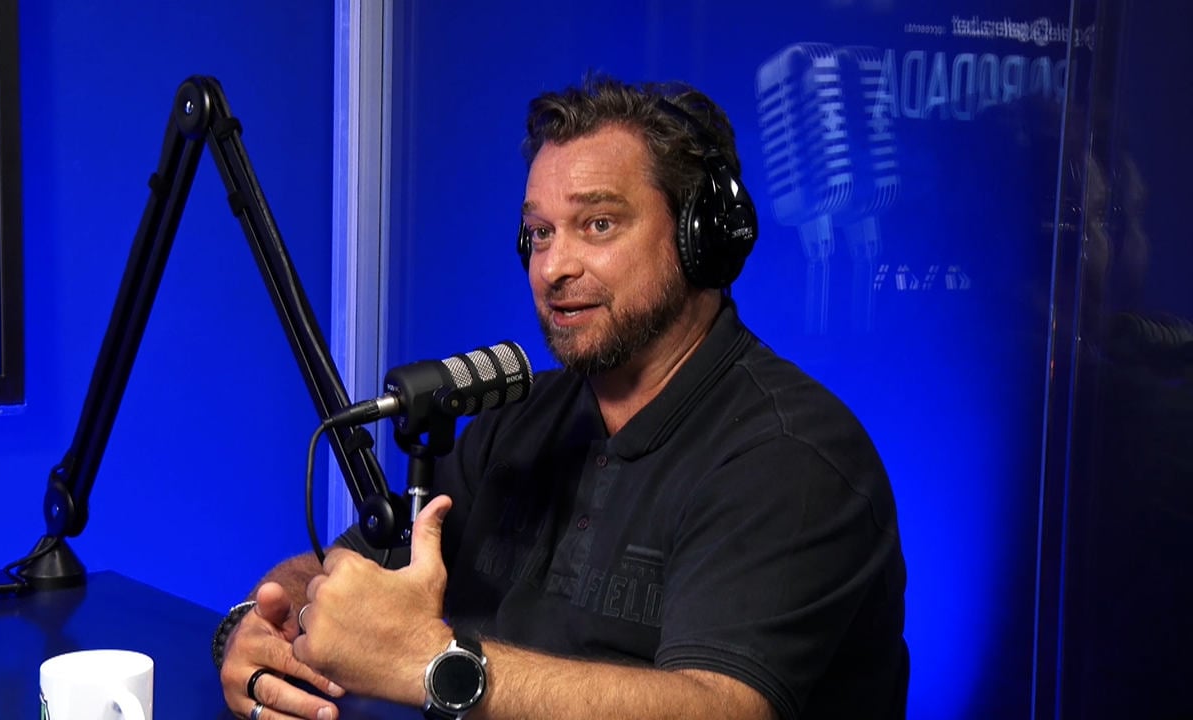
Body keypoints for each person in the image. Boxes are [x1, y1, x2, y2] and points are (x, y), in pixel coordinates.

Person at [215, 74, 908, 720]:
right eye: (541, 233)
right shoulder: (512, 420)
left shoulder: (791, 456)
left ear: (701, 239)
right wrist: (262, 624)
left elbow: (722, 706)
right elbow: (350, 578)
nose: (553, 267)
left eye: (598, 224)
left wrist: (431, 663)